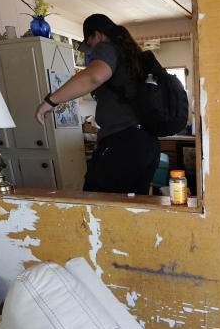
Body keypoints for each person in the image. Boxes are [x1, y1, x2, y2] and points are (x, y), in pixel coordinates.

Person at [35, 13, 159, 194]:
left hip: (123, 144)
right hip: (147, 145)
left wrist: (50, 102)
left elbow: (95, 75)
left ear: (97, 35)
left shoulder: (107, 47)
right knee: (130, 209)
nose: (92, 51)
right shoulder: (133, 56)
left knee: (96, 206)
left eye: (90, 43)